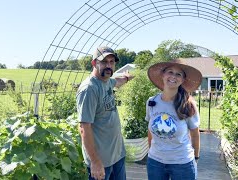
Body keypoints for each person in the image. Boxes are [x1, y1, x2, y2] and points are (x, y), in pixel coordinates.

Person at [76, 46, 133, 180]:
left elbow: (116, 82)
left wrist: (127, 78)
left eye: (112, 62)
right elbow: (84, 128)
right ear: (94, 63)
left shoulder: (106, 81)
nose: (109, 66)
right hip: (101, 161)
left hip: (117, 154)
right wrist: (95, 162)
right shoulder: (89, 89)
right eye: (104, 62)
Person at [145, 59, 202, 180]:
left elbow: (195, 134)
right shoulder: (152, 102)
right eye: (170, 72)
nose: (173, 77)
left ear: (182, 80)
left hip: (182, 164)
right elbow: (150, 130)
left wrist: (196, 157)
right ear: (163, 75)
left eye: (178, 74)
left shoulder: (188, 105)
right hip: (155, 163)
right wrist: (152, 151)